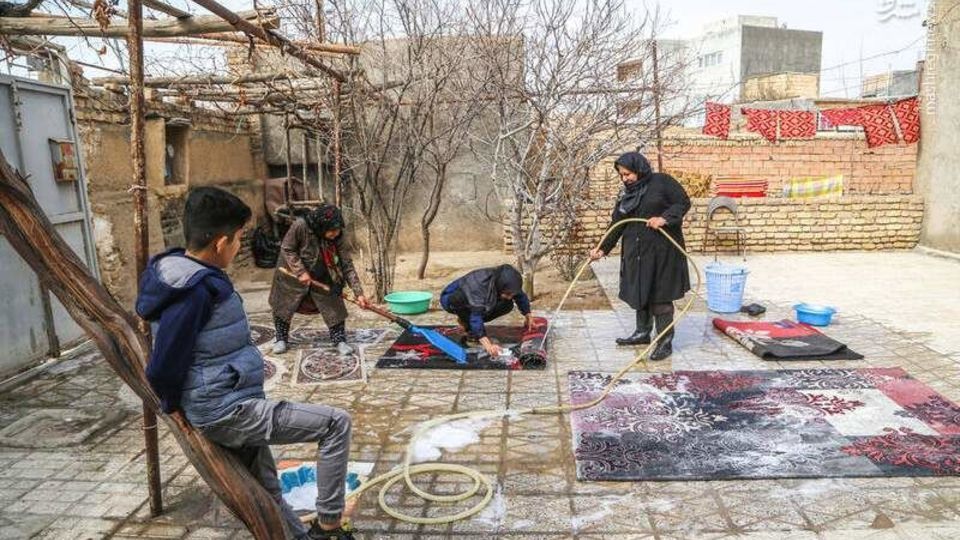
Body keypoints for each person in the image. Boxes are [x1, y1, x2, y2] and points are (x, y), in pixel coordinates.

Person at [136, 188, 356, 540]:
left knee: (268, 489)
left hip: (234, 399)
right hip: (228, 410)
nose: (240, 245)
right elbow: (163, 364)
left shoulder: (192, 276)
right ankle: (329, 526)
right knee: (335, 424)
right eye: (239, 238)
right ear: (221, 243)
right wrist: (175, 408)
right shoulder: (194, 292)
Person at [589, 151, 691, 361]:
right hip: (636, 253)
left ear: (639, 169)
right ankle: (642, 333)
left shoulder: (662, 182)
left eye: (628, 174)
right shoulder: (626, 194)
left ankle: (664, 341)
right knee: (640, 292)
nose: (624, 178)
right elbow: (617, 224)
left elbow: (683, 203)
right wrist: (602, 249)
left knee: (660, 297)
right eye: (621, 175)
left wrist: (664, 218)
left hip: (663, 253)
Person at [269, 204, 369, 355]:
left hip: (325, 274)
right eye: (332, 230)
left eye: (338, 229)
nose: (336, 233)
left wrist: (359, 293)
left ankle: (339, 340)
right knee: (283, 306)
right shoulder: (301, 226)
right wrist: (301, 272)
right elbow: (287, 248)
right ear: (321, 227)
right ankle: (281, 338)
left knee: (334, 306)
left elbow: (346, 264)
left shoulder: (339, 236)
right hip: (291, 274)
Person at [440, 264, 533, 357]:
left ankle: (470, 323)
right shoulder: (478, 286)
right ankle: (470, 332)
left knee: (507, 305)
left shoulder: (503, 281)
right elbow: (476, 317)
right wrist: (488, 345)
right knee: (461, 301)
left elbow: (519, 295)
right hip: (451, 299)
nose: (510, 297)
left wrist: (528, 315)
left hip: (476, 300)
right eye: (507, 294)